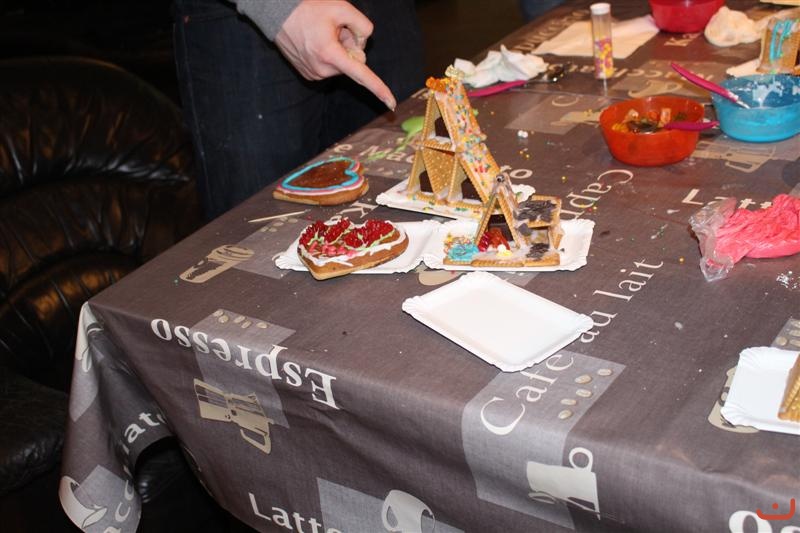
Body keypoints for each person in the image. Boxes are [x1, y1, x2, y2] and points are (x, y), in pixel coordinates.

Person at [173, 0, 424, 220]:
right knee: (259, 229)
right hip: (249, 21)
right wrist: (278, 8)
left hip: (385, 13)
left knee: (407, 210)